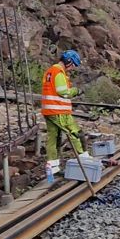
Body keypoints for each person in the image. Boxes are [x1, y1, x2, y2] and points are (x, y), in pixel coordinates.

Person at [42, 49, 90, 182]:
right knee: (74, 133)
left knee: (54, 139)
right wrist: (76, 91)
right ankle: (84, 159)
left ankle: (53, 167)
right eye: (73, 65)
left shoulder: (50, 71)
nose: (73, 68)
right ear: (68, 62)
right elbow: (63, 92)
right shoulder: (59, 73)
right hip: (59, 112)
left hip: (49, 111)